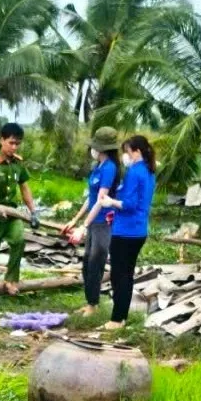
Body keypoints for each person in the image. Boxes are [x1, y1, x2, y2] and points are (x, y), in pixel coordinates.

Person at [62, 127, 121, 317]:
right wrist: (75, 220)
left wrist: (83, 227)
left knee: (96, 261)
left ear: (102, 148)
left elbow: (101, 200)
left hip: (103, 221)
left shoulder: (111, 167)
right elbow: (91, 197)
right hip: (93, 220)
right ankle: (89, 302)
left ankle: (94, 305)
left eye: (95, 147)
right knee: (87, 262)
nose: (92, 150)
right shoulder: (98, 167)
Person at [99, 135, 156, 330]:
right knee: (127, 274)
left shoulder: (134, 172)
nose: (125, 155)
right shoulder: (149, 171)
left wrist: (111, 202)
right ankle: (121, 316)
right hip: (139, 230)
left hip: (126, 231)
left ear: (137, 152)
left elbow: (130, 204)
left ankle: (117, 319)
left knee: (119, 275)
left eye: (127, 151)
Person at [0, 122, 39, 295]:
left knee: (19, 240)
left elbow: (25, 188)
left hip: (12, 215)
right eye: (11, 143)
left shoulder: (18, 164)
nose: (14, 147)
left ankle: (11, 280)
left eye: (17, 144)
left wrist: (33, 211)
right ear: (2, 140)